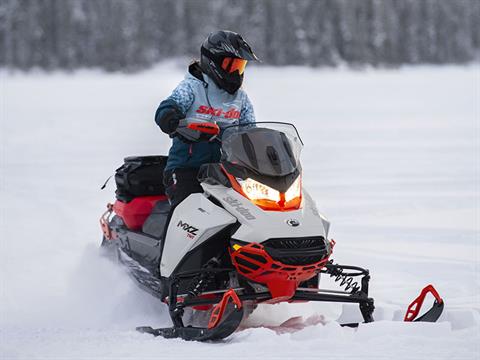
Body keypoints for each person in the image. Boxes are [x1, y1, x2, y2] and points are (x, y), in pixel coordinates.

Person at [155, 30, 259, 207]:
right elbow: (168, 107)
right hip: (186, 169)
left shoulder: (241, 99)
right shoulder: (191, 87)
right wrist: (171, 118)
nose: (236, 73)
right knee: (186, 213)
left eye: (239, 67)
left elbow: (250, 131)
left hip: (225, 172)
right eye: (231, 66)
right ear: (213, 62)